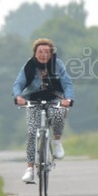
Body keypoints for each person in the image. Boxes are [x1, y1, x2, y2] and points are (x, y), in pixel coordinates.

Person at [13, 38, 74, 183]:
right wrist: (18, 96)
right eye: (40, 51)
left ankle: (57, 142)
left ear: (51, 53)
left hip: (53, 99)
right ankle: (29, 169)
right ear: (35, 53)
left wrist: (68, 99)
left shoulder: (57, 65)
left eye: (47, 52)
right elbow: (18, 83)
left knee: (59, 113)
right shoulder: (29, 66)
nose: (43, 54)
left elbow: (67, 83)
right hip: (33, 100)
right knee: (32, 132)